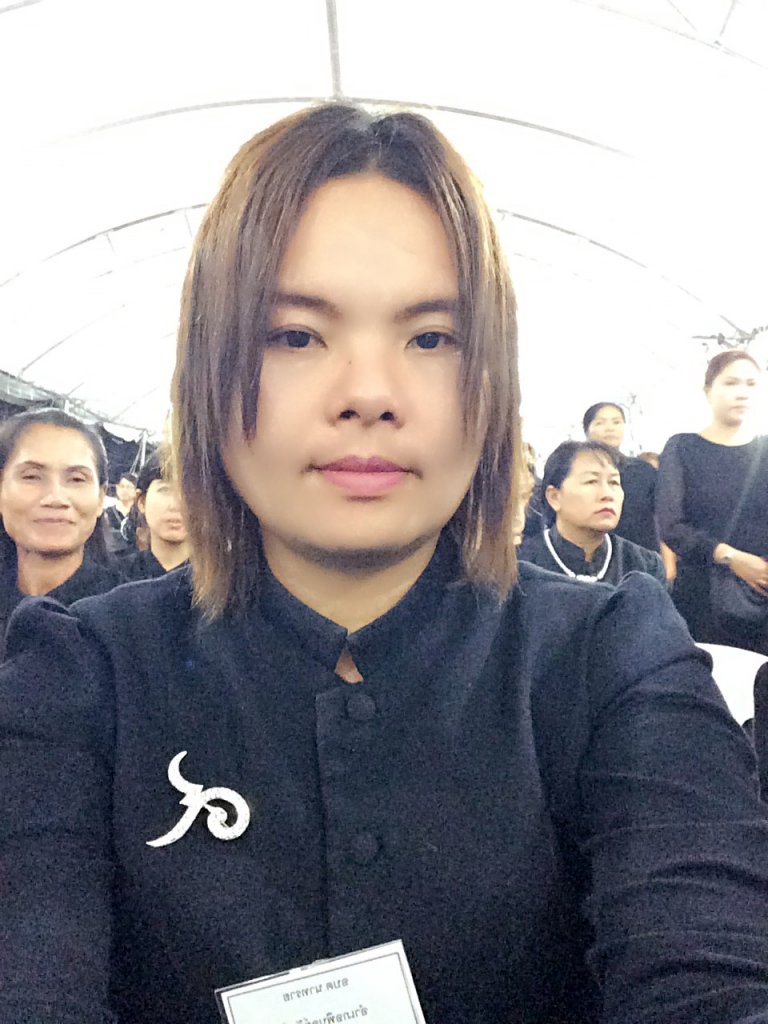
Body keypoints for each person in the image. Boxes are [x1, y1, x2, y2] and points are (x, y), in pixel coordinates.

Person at [1, 104, 768, 1024]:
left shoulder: (612, 653)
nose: (369, 393)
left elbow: (706, 957)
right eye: (295, 335)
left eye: (431, 338)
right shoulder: (82, 672)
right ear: (207, 370)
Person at [657, 350, 768, 654]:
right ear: (708, 391)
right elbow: (672, 526)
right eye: (731, 383)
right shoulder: (683, 448)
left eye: (751, 384)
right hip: (704, 597)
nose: (742, 392)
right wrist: (733, 557)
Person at [0, 407, 123, 656]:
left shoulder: (127, 617)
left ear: (101, 498)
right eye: (32, 476)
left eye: (76, 479)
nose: (55, 498)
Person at [518, 440, 666, 586]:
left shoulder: (645, 565)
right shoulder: (521, 564)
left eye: (614, 482)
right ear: (554, 497)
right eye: (591, 481)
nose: (607, 494)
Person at [583, 401, 660, 552]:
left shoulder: (643, 470)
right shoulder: (574, 471)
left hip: (642, 554)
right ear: (587, 430)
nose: (610, 428)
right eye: (600, 423)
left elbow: (662, 518)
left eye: (616, 422)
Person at [120, 452, 190, 581]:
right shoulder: (113, 578)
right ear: (141, 501)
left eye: (190, 491)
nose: (176, 505)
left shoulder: (222, 583)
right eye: (165, 490)